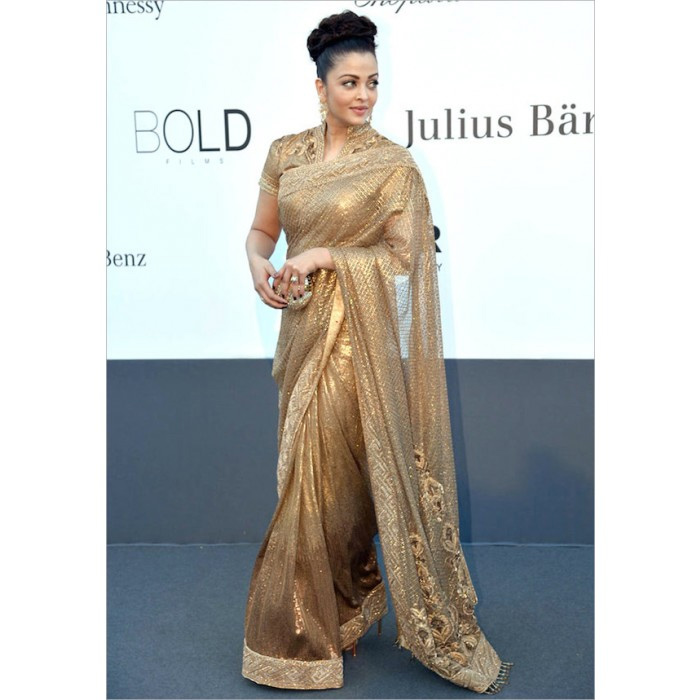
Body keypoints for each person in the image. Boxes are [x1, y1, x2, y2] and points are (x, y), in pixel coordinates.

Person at [241, 9, 513, 694]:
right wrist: (258, 264)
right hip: (300, 332)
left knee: (329, 484)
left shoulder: (393, 167)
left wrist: (324, 255)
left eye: (373, 82)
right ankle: (348, 600)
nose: (364, 95)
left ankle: (297, 639)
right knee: (307, 477)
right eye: (350, 83)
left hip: (355, 345)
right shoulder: (285, 154)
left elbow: (406, 262)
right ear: (321, 87)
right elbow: (261, 232)